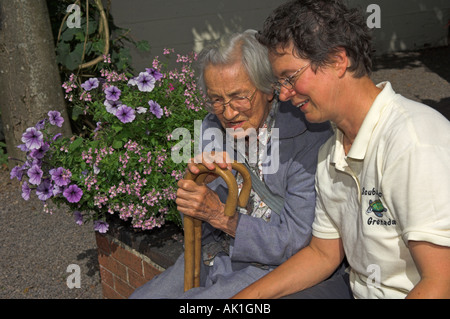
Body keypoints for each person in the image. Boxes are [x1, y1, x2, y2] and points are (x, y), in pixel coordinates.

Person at [233, 0, 450, 299]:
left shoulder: (414, 141)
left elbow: (440, 283)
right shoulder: (330, 153)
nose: (283, 94)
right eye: (279, 82)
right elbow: (323, 255)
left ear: (337, 60)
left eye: (291, 77)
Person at [129, 29, 333, 299]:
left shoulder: (305, 137)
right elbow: (193, 219)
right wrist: (195, 182)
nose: (228, 112)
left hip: (269, 269)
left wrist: (223, 217)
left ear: (268, 89)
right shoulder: (212, 126)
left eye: (239, 96)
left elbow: (296, 242)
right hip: (213, 255)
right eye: (216, 99)